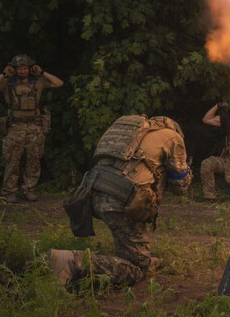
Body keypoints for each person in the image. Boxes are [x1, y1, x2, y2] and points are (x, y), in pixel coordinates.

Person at [49, 114, 192, 288]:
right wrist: (185, 173)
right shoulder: (174, 138)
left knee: (128, 241)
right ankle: (72, 261)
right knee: (137, 269)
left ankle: (132, 254)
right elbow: (180, 188)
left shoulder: (132, 129)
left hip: (91, 192)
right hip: (122, 199)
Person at [0, 53, 63, 203]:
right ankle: (10, 191)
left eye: (25, 68)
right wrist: (3, 74)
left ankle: (29, 189)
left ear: (30, 68)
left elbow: (59, 83)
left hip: (34, 126)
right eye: (19, 68)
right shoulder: (8, 83)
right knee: (12, 159)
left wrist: (42, 72)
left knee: (34, 159)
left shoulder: (38, 82)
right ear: (14, 69)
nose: (22, 71)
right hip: (15, 126)